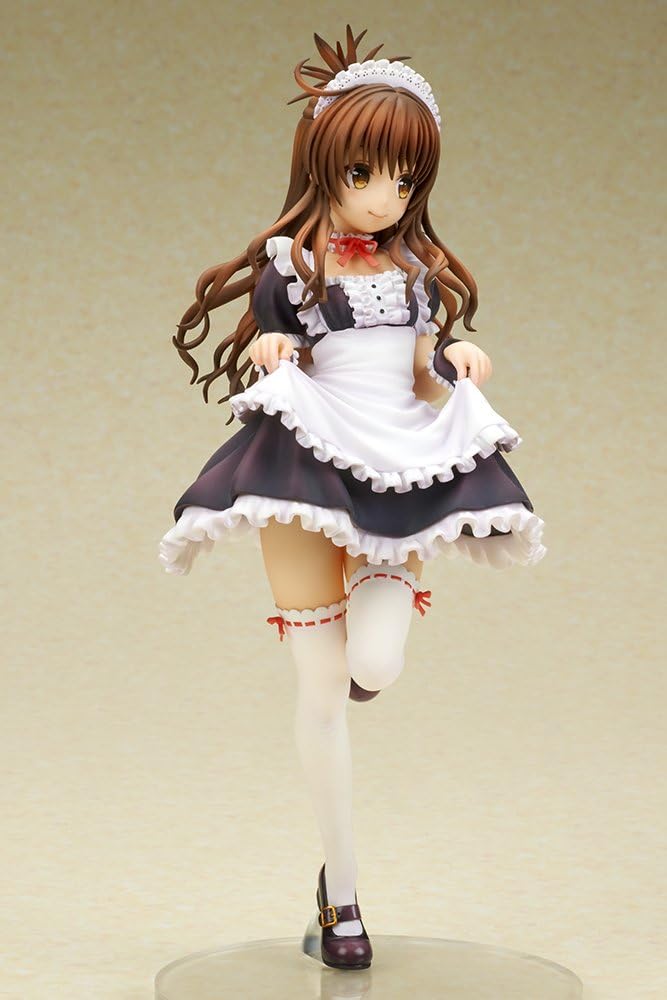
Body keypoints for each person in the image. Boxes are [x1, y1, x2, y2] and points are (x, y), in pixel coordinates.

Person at [159, 25, 546, 971]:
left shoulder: (413, 277)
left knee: (375, 662)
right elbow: (279, 343)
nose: (384, 198)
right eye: (365, 173)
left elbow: (418, 375)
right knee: (320, 692)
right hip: (303, 464)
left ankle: (361, 669)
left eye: (404, 181)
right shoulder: (292, 270)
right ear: (323, 163)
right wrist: (272, 347)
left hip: (394, 471)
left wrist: (452, 361)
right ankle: (343, 895)